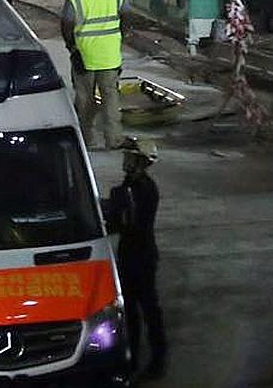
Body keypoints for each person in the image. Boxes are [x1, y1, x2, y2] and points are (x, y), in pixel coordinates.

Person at [105, 137, 166, 380]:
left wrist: (112, 206)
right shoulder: (130, 186)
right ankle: (132, 359)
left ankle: (158, 360)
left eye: (130, 157)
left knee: (149, 309)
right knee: (129, 310)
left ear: (141, 161)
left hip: (141, 256)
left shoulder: (143, 189)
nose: (125, 161)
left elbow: (125, 222)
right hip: (131, 254)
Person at [60, 0, 129, 149]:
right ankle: (114, 139)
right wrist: (116, 41)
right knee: (111, 100)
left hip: (84, 57)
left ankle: (86, 140)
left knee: (84, 102)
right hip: (110, 57)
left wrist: (73, 50)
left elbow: (66, 26)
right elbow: (125, 18)